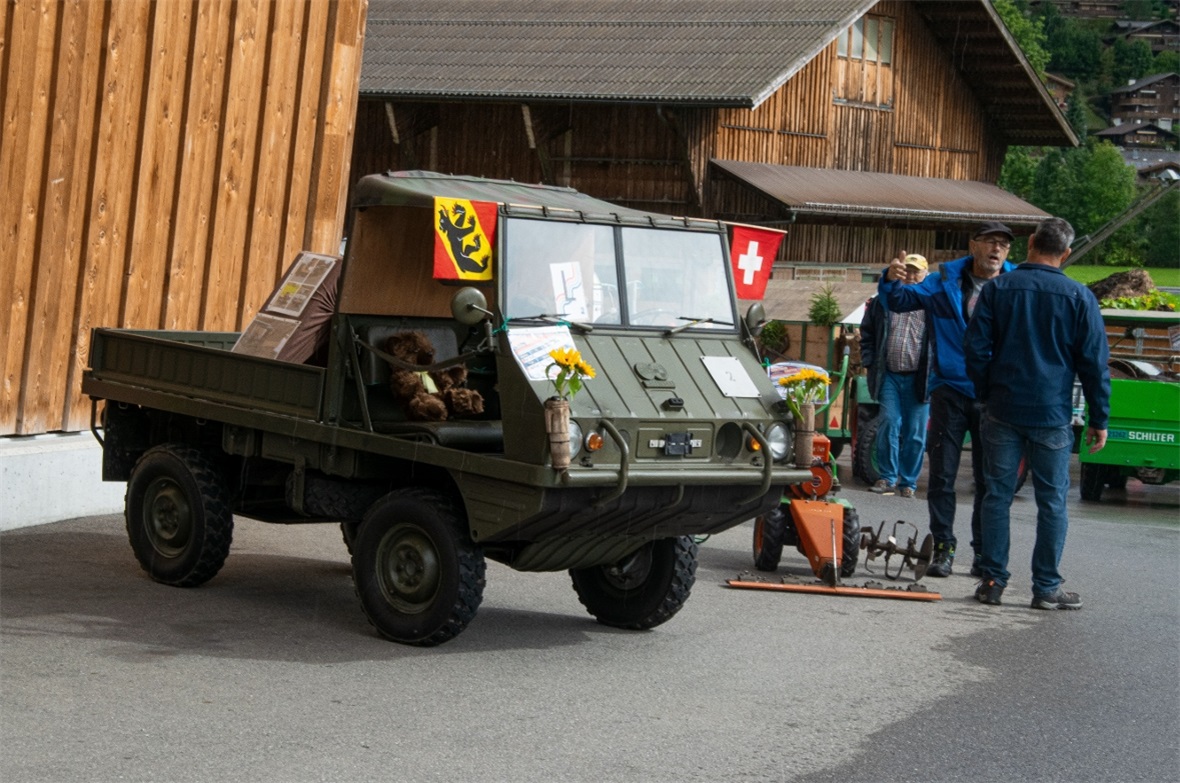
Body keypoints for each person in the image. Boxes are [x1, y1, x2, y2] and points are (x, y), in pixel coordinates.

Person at [965, 217, 1110, 609]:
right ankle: (1046, 588)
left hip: (1002, 407)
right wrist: (1100, 419)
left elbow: (975, 349)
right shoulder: (1080, 297)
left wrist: (985, 392)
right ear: (1064, 253)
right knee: (1052, 501)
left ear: (1030, 243)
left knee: (997, 495)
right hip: (1051, 413)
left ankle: (993, 581)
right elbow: (1095, 365)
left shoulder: (997, 289)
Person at [877, 222, 1018, 577]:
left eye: (1003, 244)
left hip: (994, 396)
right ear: (974, 245)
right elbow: (898, 301)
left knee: (989, 481)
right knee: (941, 477)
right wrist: (891, 278)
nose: (996, 250)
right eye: (990, 243)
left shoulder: (1015, 285)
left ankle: (984, 554)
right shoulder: (942, 283)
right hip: (950, 391)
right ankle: (943, 548)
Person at [859, 254, 931, 499]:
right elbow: (867, 333)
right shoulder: (883, 302)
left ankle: (908, 482)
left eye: (916, 272)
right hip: (889, 373)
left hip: (920, 378)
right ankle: (887, 477)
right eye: (906, 271)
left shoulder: (931, 303)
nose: (910, 276)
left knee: (915, 433)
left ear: (925, 275)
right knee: (889, 422)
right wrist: (869, 360)